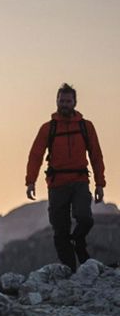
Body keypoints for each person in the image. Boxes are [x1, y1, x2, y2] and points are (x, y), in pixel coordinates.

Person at [25, 83, 106, 271]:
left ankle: (78, 241)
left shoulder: (86, 127)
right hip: (57, 184)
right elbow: (35, 155)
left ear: (75, 103)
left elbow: (96, 155)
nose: (64, 104)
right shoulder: (48, 128)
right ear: (56, 101)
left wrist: (100, 184)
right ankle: (69, 269)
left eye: (68, 101)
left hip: (79, 181)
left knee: (85, 218)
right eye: (61, 101)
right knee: (60, 230)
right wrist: (30, 181)